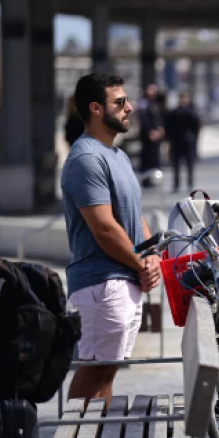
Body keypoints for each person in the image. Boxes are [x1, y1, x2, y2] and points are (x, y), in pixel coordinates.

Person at [61, 73, 161, 406]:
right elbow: (103, 228)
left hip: (122, 280)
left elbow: (135, 216)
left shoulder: (116, 156)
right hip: (102, 283)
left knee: (106, 372)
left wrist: (152, 258)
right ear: (95, 109)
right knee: (94, 372)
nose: (129, 107)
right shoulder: (87, 158)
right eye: (119, 102)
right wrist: (140, 264)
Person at [165, 92, 201, 194]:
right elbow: (197, 125)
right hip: (182, 141)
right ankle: (179, 183)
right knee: (179, 164)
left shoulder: (178, 112)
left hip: (183, 141)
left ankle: (187, 182)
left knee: (186, 164)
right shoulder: (190, 112)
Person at [137, 84, 165, 184]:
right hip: (148, 135)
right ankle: (146, 179)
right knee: (147, 157)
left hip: (156, 135)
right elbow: (144, 119)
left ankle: (153, 177)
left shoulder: (155, 103)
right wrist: (150, 131)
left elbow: (159, 117)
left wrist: (160, 129)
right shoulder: (144, 103)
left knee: (155, 157)